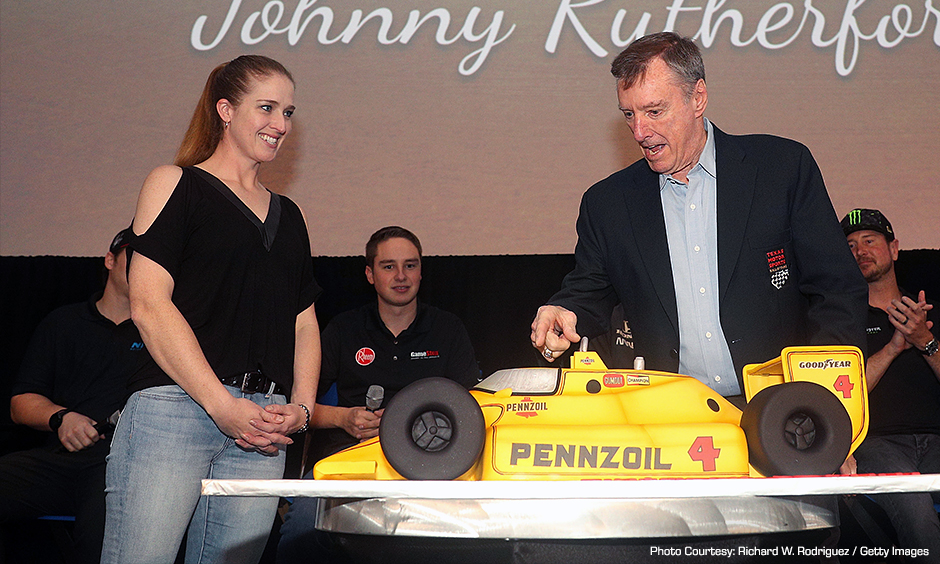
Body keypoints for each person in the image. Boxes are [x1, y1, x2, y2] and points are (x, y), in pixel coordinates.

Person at [530, 32, 867, 403]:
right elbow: (588, 292)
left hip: (781, 409)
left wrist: (829, 406)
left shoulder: (781, 169)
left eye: (654, 111)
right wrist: (563, 311)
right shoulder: (607, 204)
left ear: (698, 98)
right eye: (630, 114)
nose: (640, 132)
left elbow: (836, 292)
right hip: (670, 418)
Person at [101, 55, 321, 564]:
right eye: (266, 108)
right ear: (225, 109)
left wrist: (302, 411)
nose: (280, 124)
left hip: (263, 425)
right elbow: (149, 304)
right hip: (175, 410)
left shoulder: (290, 216)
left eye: (288, 112)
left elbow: (303, 321)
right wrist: (221, 406)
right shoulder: (175, 184)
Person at [277, 225, 479, 563]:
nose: (401, 276)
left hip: (431, 468)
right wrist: (344, 418)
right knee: (300, 537)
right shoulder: (343, 329)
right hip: (348, 463)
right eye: (388, 266)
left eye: (410, 265)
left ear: (421, 271)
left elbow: (474, 411)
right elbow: (301, 409)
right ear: (370, 274)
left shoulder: (447, 329)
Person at [0, 226, 143, 564]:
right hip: (57, 461)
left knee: (106, 531)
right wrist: (61, 417)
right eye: (134, 258)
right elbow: (21, 403)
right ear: (110, 259)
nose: (143, 268)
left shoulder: (164, 333)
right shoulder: (64, 322)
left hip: (121, 466)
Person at [840, 208, 940, 560]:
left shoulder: (929, 311)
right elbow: (842, 397)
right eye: (850, 246)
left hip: (936, 438)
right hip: (876, 442)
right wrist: (894, 347)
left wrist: (924, 338)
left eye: (869, 241)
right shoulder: (841, 320)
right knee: (916, 510)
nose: (860, 251)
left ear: (894, 249)